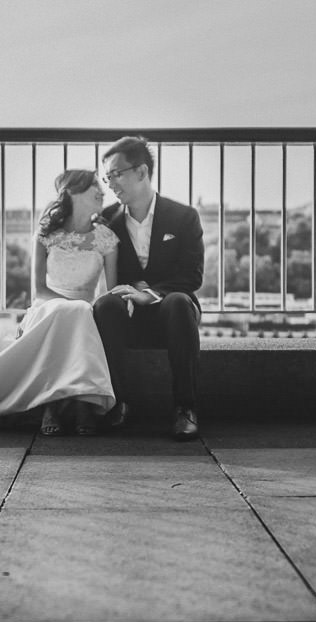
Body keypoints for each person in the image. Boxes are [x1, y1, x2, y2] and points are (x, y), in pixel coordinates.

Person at [0, 169, 119, 436]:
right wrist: (69, 306)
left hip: (85, 311)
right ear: (72, 192)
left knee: (79, 311)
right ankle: (64, 404)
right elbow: (39, 289)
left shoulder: (106, 237)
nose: (103, 191)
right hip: (47, 306)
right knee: (72, 311)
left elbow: (111, 290)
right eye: (95, 185)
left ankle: (69, 403)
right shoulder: (46, 234)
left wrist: (86, 307)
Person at [93, 136, 204, 441]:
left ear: (141, 172)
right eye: (107, 177)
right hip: (127, 312)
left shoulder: (184, 217)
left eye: (116, 174)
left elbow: (192, 275)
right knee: (105, 305)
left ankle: (185, 408)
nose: (110, 184)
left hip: (173, 311)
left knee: (178, 301)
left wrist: (152, 294)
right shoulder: (107, 221)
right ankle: (118, 403)